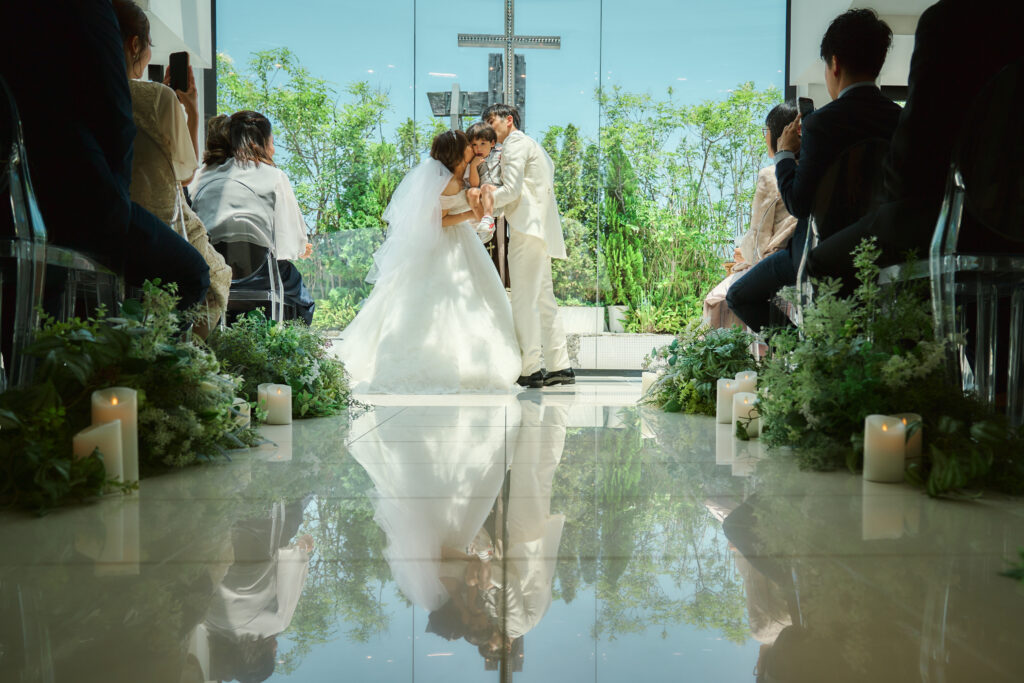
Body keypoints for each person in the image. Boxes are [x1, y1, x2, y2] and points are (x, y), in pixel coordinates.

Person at [0, 0, 209, 312]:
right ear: (135, 44)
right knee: (193, 273)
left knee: (45, 297)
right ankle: (140, 356)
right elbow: (115, 122)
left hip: (17, 203)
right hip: (85, 203)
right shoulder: (90, 14)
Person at [805, 0, 1024, 287]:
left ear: (834, 63)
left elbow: (918, 145)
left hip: (949, 219)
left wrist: (885, 207)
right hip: (1012, 225)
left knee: (821, 262)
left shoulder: (947, 21)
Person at [726, 9, 901, 332]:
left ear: (834, 63)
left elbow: (799, 202)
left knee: (739, 295)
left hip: (818, 254)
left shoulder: (822, 123)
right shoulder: (900, 121)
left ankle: (802, 357)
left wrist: (784, 154)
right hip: (883, 252)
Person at [335, 130, 521, 393]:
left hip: (460, 241)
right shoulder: (448, 183)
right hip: (448, 242)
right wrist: (469, 214)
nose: (472, 147)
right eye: (468, 145)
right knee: (445, 300)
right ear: (457, 152)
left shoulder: (458, 175)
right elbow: (439, 221)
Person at [112, 0, 231, 337]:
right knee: (217, 273)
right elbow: (185, 172)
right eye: (149, 47)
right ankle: (180, 356)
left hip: (102, 221)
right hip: (158, 222)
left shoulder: (86, 96)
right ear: (135, 44)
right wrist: (190, 111)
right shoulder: (157, 97)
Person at [191, 110, 315, 325]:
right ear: (261, 143)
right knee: (302, 301)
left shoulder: (201, 175)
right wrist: (300, 248)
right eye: (272, 142)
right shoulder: (274, 176)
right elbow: (289, 243)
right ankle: (279, 349)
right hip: (260, 277)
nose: (274, 150)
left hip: (211, 275)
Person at [483, 104, 573, 387]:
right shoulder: (534, 146)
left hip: (525, 231)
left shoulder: (514, 145)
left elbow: (510, 190)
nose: (487, 127)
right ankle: (561, 366)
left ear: (508, 120)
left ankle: (531, 368)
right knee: (544, 300)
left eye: (490, 121)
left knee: (524, 300)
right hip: (539, 232)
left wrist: (482, 198)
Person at [704, 102, 799, 329]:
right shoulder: (812, 169)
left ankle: (782, 348)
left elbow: (758, 240)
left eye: (766, 131)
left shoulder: (770, 175)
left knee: (718, 298)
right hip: (802, 261)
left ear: (777, 134)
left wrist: (742, 255)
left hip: (779, 263)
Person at [465, 121, 502, 239]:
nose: (478, 148)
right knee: (473, 192)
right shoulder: (474, 160)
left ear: (492, 143)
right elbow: (474, 184)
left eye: (482, 143)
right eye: (474, 145)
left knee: (486, 187)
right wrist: (473, 166)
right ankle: (485, 229)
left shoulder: (501, 152)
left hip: (499, 190)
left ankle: (487, 219)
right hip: (484, 195)